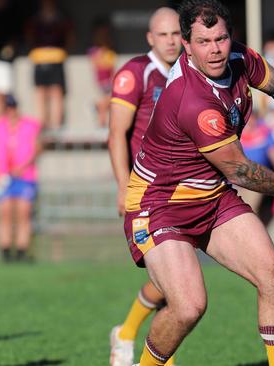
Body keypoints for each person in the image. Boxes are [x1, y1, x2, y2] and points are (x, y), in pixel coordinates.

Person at [124, 1, 274, 365]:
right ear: (186, 44)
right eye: (204, 41)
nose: (214, 49)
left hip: (212, 196)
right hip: (160, 205)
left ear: (231, 36)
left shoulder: (241, 58)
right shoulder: (192, 100)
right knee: (189, 307)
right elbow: (241, 172)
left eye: (221, 38)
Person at [107, 7, 182, 366]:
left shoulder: (189, 73)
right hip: (146, 194)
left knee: (176, 283)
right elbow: (116, 134)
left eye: (176, 34)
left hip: (184, 190)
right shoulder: (135, 73)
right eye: (163, 34)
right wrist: (123, 186)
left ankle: (125, 333)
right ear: (150, 38)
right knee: (177, 286)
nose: (171, 41)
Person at [0, 95, 43, 262]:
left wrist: (23, 166)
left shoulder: (30, 125)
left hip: (25, 175)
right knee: (4, 213)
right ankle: (5, 250)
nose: (11, 111)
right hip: (4, 177)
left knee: (23, 213)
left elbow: (37, 147)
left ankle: (21, 250)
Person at [25, 0, 74, 131]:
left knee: (56, 91)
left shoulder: (61, 18)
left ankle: (56, 125)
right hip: (39, 58)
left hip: (56, 57)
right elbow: (29, 36)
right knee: (40, 92)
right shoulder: (35, 19)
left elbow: (69, 36)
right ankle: (42, 125)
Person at [88, 17, 118, 128]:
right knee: (106, 101)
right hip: (101, 80)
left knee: (110, 102)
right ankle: (101, 121)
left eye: (105, 34)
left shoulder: (110, 49)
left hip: (110, 80)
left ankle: (99, 111)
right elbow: (97, 64)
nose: (103, 36)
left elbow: (112, 66)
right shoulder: (94, 50)